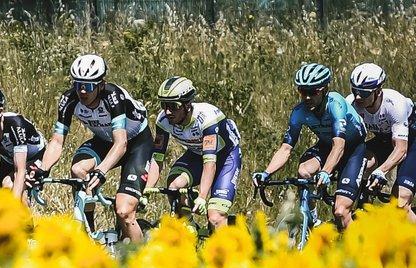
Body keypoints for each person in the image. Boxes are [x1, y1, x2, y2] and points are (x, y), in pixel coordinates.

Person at [32, 54, 152, 243]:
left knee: (124, 211)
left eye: (87, 86)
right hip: (104, 140)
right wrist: (43, 169)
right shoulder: (69, 98)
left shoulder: (113, 96)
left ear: (101, 85)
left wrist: (101, 171)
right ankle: (88, 234)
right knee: (78, 170)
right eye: (77, 84)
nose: (81, 91)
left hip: (136, 143)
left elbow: (121, 144)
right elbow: (56, 141)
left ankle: (140, 263)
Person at [254, 63, 367, 230]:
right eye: (302, 91)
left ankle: (356, 251)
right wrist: (266, 173)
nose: (307, 97)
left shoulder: (335, 104)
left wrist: (325, 172)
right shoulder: (299, 112)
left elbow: (339, 146)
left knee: (341, 212)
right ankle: (313, 222)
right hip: (327, 145)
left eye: (313, 92)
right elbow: (286, 148)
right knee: (303, 171)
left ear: (324, 90)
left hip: (352, 149)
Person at [146, 76, 242, 228]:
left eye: (174, 105)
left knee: (215, 217)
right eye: (164, 104)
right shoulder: (163, 120)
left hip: (225, 158)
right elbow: (157, 157)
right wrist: (147, 190)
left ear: (187, 105)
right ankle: (190, 228)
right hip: (197, 155)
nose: (167, 111)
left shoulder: (207, 119)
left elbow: (210, 163)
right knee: (174, 187)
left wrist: (203, 197)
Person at [349, 63, 412, 208]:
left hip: (411, 142)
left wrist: (381, 171)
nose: (358, 97)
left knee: (400, 202)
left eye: (364, 93)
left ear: (378, 91)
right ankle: (364, 209)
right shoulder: (352, 104)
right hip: (385, 140)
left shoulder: (395, 103)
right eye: (355, 91)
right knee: (363, 162)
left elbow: (401, 149)